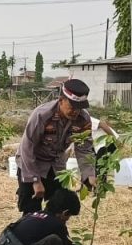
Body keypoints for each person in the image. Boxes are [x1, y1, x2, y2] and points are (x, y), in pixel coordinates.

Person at [15, 79, 96, 214]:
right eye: (72, 106)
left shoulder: (83, 119)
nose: (76, 111)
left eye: (79, 107)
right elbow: (27, 148)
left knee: (59, 207)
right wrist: (35, 180)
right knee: (31, 209)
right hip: (31, 163)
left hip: (56, 166)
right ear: (61, 100)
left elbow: (84, 148)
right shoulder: (42, 115)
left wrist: (89, 174)